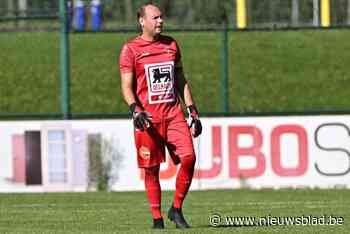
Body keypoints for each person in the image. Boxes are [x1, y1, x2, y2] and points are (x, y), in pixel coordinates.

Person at [119, 3, 202, 229]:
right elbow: (126, 86)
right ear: (142, 21)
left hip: (174, 115)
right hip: (148, 119)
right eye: (155, 18)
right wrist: (134, 108)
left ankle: (176, 208)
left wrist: (192, 109)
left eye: (161, 17)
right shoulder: (130, 50)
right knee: (151, 170)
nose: (160, 21)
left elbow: (181, 79)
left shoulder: (171, 45)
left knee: (189, 158)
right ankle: (157, 219)